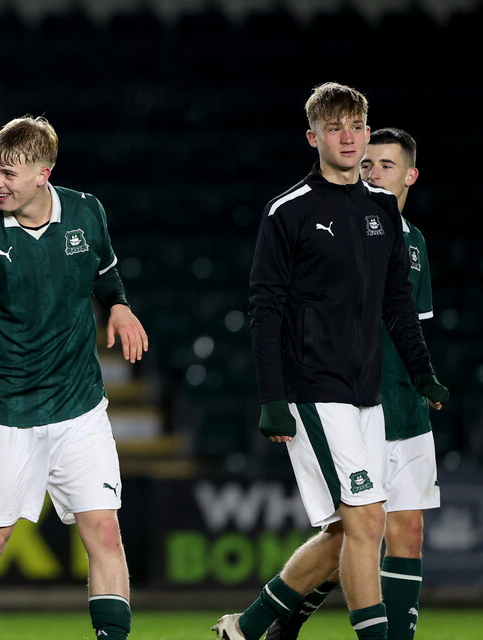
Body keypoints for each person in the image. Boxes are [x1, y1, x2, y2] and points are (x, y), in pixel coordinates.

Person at [213, 84, 448, 640]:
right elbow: (264, 307)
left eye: (356, 126)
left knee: (350, 527)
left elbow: (398, 304)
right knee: (367, 520)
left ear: (366, 132)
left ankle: (245, 630)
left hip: (369, 392)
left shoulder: (380, 209)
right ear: (313, 136)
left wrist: (421, 370)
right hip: (313, 387)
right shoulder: (289, 210)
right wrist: (273, 397)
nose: (347, 137)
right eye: (334, 127)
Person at [0, 115, 149, 640]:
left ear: (44, 174)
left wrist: (121, 307)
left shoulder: (86, 211)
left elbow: (105, 274)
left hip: (79, 408)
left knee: (104, 532)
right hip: (9, 409)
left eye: (8, 174)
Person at [265, 128, 440, 640]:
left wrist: (423, 380)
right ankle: (264, 622)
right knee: (353, 527)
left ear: (409, 175)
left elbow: (409, 323)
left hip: (402, 403)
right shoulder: (328, 222)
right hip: (351, 395)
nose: (373, 172)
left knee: (404, 528)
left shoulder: (413, 242)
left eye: (386, 165)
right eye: (368, 164)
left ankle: (260, 626)